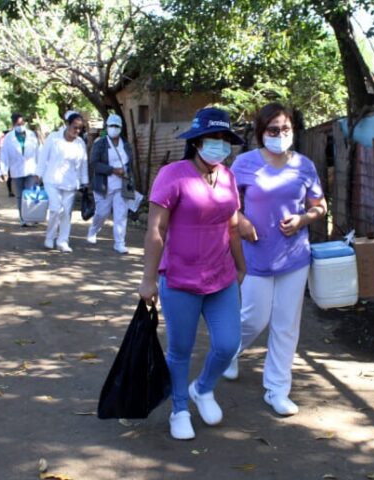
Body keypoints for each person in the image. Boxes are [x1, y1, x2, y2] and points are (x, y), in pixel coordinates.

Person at [138, 107, 246, 441]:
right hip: (181, 280)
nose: (219, 145)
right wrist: (148, 279)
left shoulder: (227, 176)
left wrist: (242, 265)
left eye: (225, 139)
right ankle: (180, 408)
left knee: (228, 344)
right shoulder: (173, 174)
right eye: (213, 139)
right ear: (197, 141)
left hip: (221, 277)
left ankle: (203, 388)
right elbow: (156, 230)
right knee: (180, 348)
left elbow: (232, 224)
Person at [223, 102, 327, 416]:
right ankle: (228, 352)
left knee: (286, 325)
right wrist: (240, 222)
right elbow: (226, 201)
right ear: (261, 132)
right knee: (254, 318)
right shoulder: (243, 163)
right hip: (255, 255)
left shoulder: (304, 166)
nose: (280, 135)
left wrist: (303, 220)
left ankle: (277, 389)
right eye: (273, 129)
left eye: (285, 129)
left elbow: (320, 207)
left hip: (294, 257)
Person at [36, 111, 89, 252]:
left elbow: (84, 163)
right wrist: (38, 174)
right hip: (52, 180)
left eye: (80, 128)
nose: (77, 130)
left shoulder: (80, 143)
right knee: (55, 209)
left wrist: (85, 181)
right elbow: (43, 157)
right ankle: (50, 237)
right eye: (74, 127)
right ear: (67, 125)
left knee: (66, 212)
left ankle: (63, 241)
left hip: (70, 182)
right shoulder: (53, 138)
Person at [87, 114, 135, 254]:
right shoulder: (100, 144)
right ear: (106, 127)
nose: (114, 129)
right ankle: (93, 230)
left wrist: (128, 176)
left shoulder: (125, 144)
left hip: (122, 185)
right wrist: (112, 170)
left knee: (121, 215)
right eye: (111, 126)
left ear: (121, 128)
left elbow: (129, 164)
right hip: (104, 185)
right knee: (102, 213)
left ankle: (120, 243)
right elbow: (94, 163)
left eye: (116, 126)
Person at [0, 113, 40, 226]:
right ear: (13, 124)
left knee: (30, 193)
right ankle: (23, 218)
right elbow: (4, 155)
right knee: (20, 195)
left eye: (22, 123)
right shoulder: (8, 138)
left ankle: (30, 217)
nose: (21, 126)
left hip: (31, 169)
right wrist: (4, 171)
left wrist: (40, 170)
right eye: (18, 124)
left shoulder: (31, 135)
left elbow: (38, 153)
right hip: (16, 170)